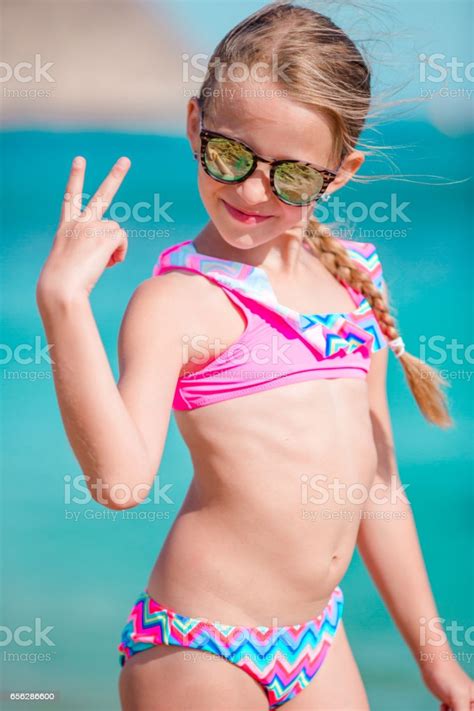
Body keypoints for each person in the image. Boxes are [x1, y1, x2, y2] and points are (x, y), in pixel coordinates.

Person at [36, 2, 473, 709]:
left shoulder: (356, 280)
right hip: (199, 648)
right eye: (229, 155)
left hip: (319, 641)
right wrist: (64, 302)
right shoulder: (176, 302)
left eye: (292, 176)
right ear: (193, 127)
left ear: (342, 170)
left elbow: (380, 492)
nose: (249, 190)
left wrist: (438, 662)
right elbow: (120, 483)